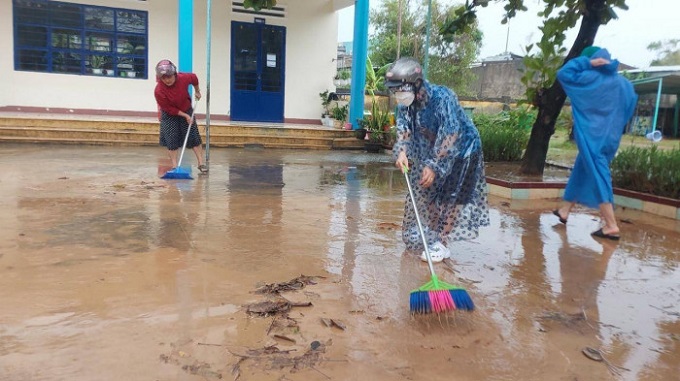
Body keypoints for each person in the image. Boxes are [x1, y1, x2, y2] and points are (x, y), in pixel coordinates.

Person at [385, 57, 490, 263]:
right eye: (394, 90)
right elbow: (404, 129)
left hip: (463, 151)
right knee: (426, 192)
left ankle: (442, 243)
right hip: (432, 152)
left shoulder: (443, 97)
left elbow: (450, 133)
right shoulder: (406, 104)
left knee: (452, 196)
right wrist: (402, 151)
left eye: (400, 89)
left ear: (416, 84)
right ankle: (433, 233)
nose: (398, 94)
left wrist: (434, 165)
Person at [552, 46, 637, 240]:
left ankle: (611, 225)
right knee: (582, 170)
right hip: (611, 138)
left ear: (595, 61)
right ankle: (565, 211)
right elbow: (629, 106)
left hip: (593, 137)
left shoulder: (589, 79)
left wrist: (586, 63)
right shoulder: (625, 84)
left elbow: (564, 73)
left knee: (599, 177)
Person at [154, 59, 208, 174]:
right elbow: (169, 109)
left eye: (169, 77)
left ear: (174, 74)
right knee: (171, 140)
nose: (167, 80)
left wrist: (197, 91)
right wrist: (184, 116)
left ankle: (201, 163)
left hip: (186, 108)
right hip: (169, 115)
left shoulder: (183, 78)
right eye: (164, 78)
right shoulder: (159, 90)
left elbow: (194, 78)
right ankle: (174, 166)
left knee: (193, 137)